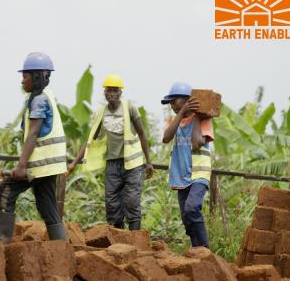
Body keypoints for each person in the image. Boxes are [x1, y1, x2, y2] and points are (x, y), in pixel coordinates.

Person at [0, 52, 67, 243]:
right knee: (47, 205)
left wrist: (20, 166)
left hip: (40, 165)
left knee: (5, 191)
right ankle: (60, 247)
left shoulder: (39, 100)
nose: (22, 81)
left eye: (25, 76)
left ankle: (2, 245)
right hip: (51, 165)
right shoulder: (47, 96)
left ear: (37, 77)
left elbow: (34, 133)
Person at [67, 74, 153, 230]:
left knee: (131, 201)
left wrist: (148, 161)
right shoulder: (101, 113)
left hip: (132, 164)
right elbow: (90, 139)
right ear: (104, 93)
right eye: (108, 91)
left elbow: (141, 134)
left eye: (115, 91)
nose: (111, 94)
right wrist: (74, 163)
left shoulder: (130, 108)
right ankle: (117, 240)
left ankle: (135, 240)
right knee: (112, 204)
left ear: (120, 93)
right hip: (112, 164)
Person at [161, 82, 213, 247]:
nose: (171, 106)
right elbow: (166, 138)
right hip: (181, 175)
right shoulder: (175, 121)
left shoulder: (204, 120)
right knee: (186, 218)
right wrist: (182, 113)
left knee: (192, 208)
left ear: (186, 100)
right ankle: (197, 251)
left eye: (174, 101)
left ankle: (205, 251)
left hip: (199, 175)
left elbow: (197, 142)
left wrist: (196, 115)